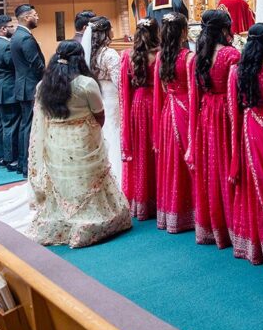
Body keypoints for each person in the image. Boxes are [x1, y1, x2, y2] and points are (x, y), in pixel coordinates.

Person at [28, 40, 131, 248]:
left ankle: (63, 216)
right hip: (83, 137)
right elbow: (99, 115)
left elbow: (42, 117)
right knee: (86, 177)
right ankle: (89, 216)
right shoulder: (85, 83)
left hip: (55, 138)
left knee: (62, 176)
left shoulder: (43, 86)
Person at [228, 23, 263, 265]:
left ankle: (258, 244)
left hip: (249, 128)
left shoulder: (238, 71)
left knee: (255, 182)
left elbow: (234, 109)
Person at [186, 10, 240, 248]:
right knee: (228, 165)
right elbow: (238, 92)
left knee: (211, 168)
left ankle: (213, 225)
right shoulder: (231, 55)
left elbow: (194, 94)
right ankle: (233, 226)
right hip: (227, 113)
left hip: (206, 113)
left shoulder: (198, 57)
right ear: (224, 30)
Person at [153, 12, 195, 233]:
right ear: (184, 32)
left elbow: (161, 88)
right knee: (186, 159)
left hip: (168, 111)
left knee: (172, 160)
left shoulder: (161, 57)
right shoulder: (188, 58)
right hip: (185, 111)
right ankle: (191, 211)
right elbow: (194, 91)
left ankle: (173, 211)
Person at [120, 18, 160, 220]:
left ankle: (142, 199)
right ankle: (159, 197)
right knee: (156, 150)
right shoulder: (159, 55)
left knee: (141, 150)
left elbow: (124, 90)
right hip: (156, 104)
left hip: (137, 104)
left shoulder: (128, 55)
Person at [84, 17, 121, 182]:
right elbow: (119, 80)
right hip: (111, 95)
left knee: (103, 131)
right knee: (113, 130)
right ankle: (116, 173)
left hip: (97, 94)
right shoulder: (109, 54)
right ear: (106, 33)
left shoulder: (89, 53)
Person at [10, 5, 45, 178]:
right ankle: (26, 164)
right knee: (29, 126)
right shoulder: (24, 38)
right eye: (34, 15)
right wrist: (47, 78)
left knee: (26, 124)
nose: (37, 17)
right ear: (25, 18)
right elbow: (35, 64)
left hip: (23, 85)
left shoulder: (18, 35)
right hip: (30, 86)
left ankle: (24, 163)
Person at [0, 14, 20, 172]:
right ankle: (11, 158)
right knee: (11, 125)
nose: (13, 29)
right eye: (11, 27)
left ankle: (2, 155)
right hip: (7, 89)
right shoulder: (5, 45)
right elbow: (12, 65)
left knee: (3, 124)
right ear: (3, 29)